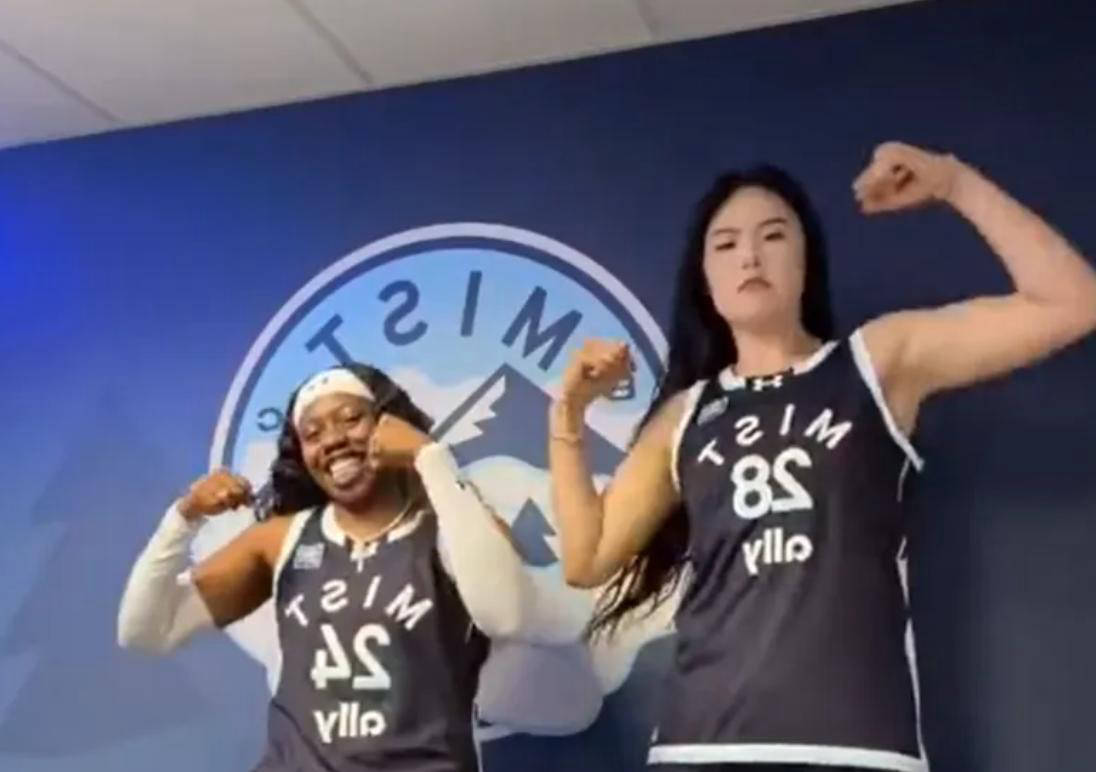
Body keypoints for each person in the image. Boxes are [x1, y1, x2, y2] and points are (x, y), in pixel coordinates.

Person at [547, 142, 1096, 771]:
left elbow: (1073, 302)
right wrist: (567, 417)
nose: (749, 255)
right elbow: (586, 559)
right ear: (705, 277)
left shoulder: (875, 363)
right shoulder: (686, 415)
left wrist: (953, 182)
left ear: (806, 258)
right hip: (701, 745)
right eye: (725, 244)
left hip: (858, 748)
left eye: (773, 235)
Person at [118, 363, 564, 771]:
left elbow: (507, 615)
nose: (332, 440)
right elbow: (146, 631)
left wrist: (429, 458)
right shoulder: (283, 539)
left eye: (351, 419)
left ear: (389, 423)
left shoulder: (454, 526)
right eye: (312, 434)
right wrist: (183, 518)